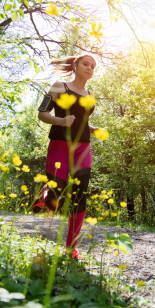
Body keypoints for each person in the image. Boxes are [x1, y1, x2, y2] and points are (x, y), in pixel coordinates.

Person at [35, 54, 99, 259]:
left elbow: (81, 120)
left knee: (80, 195)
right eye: (86, 64)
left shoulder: (90, 94)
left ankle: (71, 248)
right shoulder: (58, 86)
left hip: (83, 147)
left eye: (93, 66)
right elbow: (42, 114)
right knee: (56, 194)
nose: (90, 68)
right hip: (60, 145)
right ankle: (45, 195)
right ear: (75, 65)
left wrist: (92, 128)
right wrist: (61, 122)